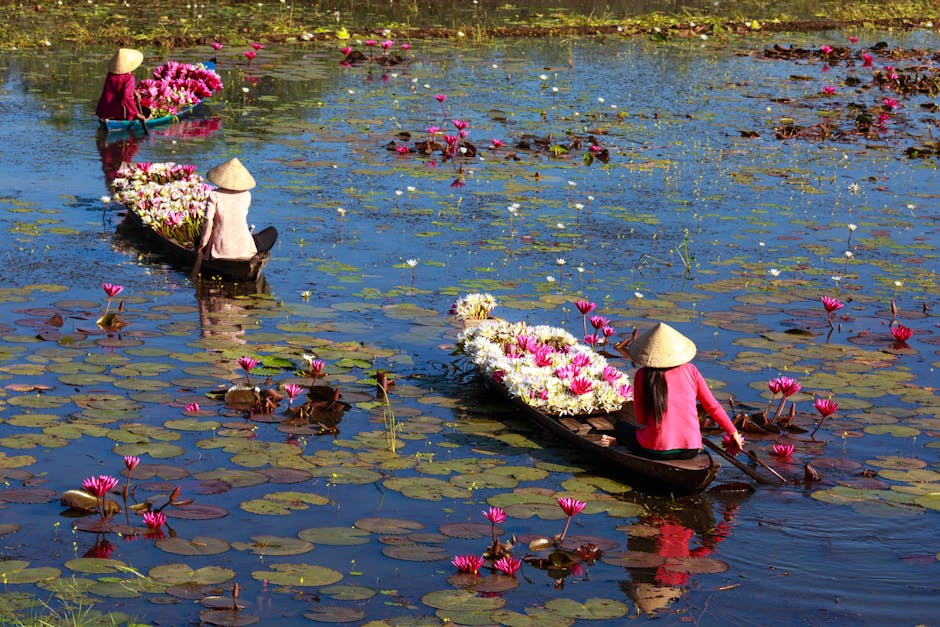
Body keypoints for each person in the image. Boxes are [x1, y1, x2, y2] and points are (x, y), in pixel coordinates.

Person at [605, 322, 744, 460]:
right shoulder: (691, 370)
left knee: (620, 427)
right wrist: (733, 432)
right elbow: (712, 407)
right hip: (691, 449)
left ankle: (620, 443)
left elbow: (642, 419)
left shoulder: (642, 375)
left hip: (654, 450)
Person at [198, 157, 277, 260]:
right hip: (245, 249)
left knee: (199, 239)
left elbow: (208, 221)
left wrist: (202, 245)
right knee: (272, 231)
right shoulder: (247, 195)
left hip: (219, 250)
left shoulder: (214, 195)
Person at [95, 48, 149, 135]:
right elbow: (126, 98)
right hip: (118, 112)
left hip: (104, 110)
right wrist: (136, 114)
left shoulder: (111, 74)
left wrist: (134, 91)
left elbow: (115, 88)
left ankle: (106, 123)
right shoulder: (129, 78)